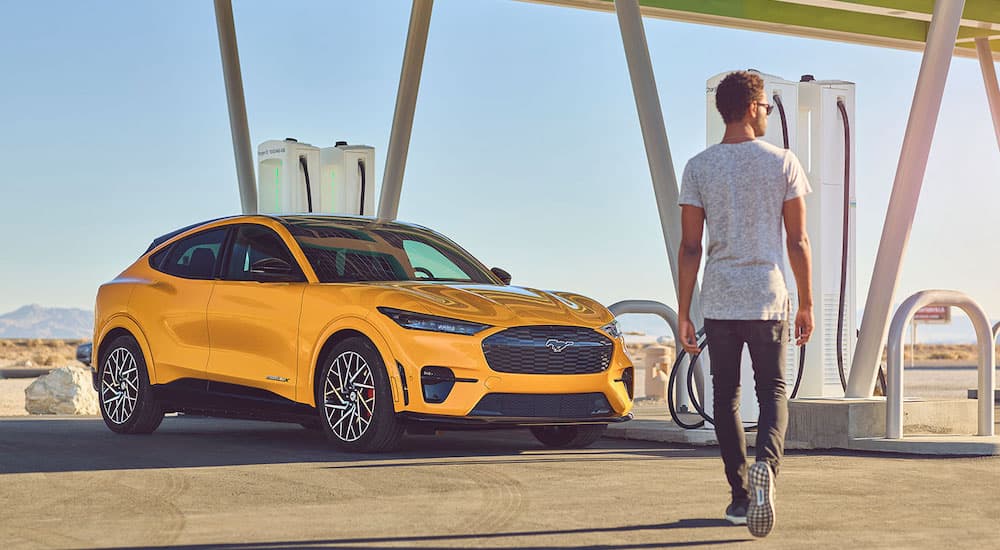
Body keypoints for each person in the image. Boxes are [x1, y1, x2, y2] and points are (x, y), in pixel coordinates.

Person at [676, 70, 814, 538]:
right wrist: (807, 303)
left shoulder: (699, 166)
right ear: (754, 107)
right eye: (768, 109)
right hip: (768, 295)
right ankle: (767, 474)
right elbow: (798, 239)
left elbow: (690, 246)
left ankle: (739, 496)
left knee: (726, 395)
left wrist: (682, 312)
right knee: (773, 390)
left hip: (719, 297)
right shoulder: (783, 162)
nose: (768, 116)